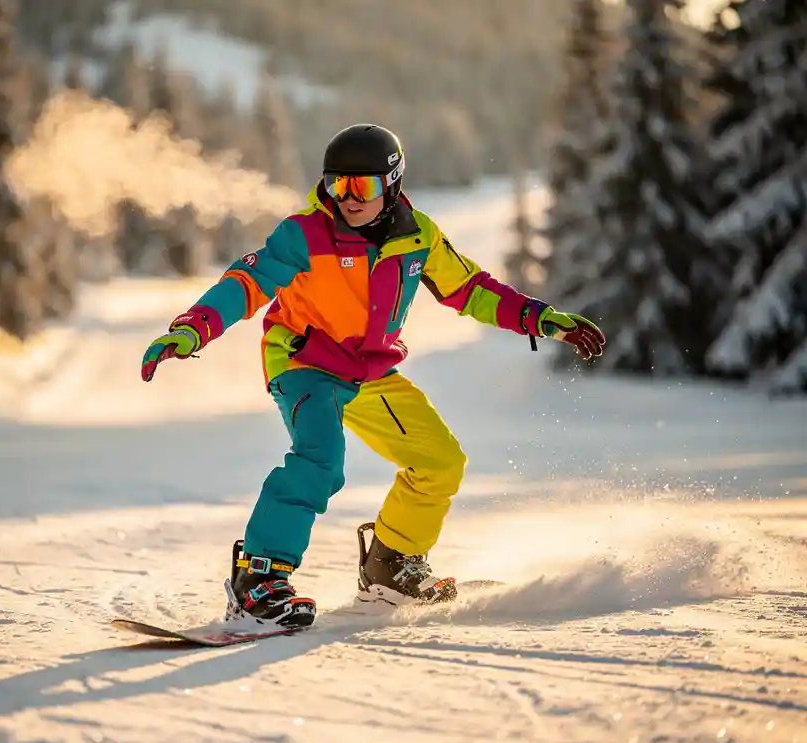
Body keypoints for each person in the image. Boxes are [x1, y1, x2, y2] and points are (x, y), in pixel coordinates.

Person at [140, 124, 605, 629]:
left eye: (362, 187)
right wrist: (192, 328)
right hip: (304, 362)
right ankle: (259, 581)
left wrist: (539, 317)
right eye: (338, 185)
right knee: (320, 459)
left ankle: (390, 568)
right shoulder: (304, 234)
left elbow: (469, 288)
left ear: (392, 185)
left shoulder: (417, 236)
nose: (348, 198)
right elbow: (246, 283)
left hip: (367, 370)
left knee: (439, 462)